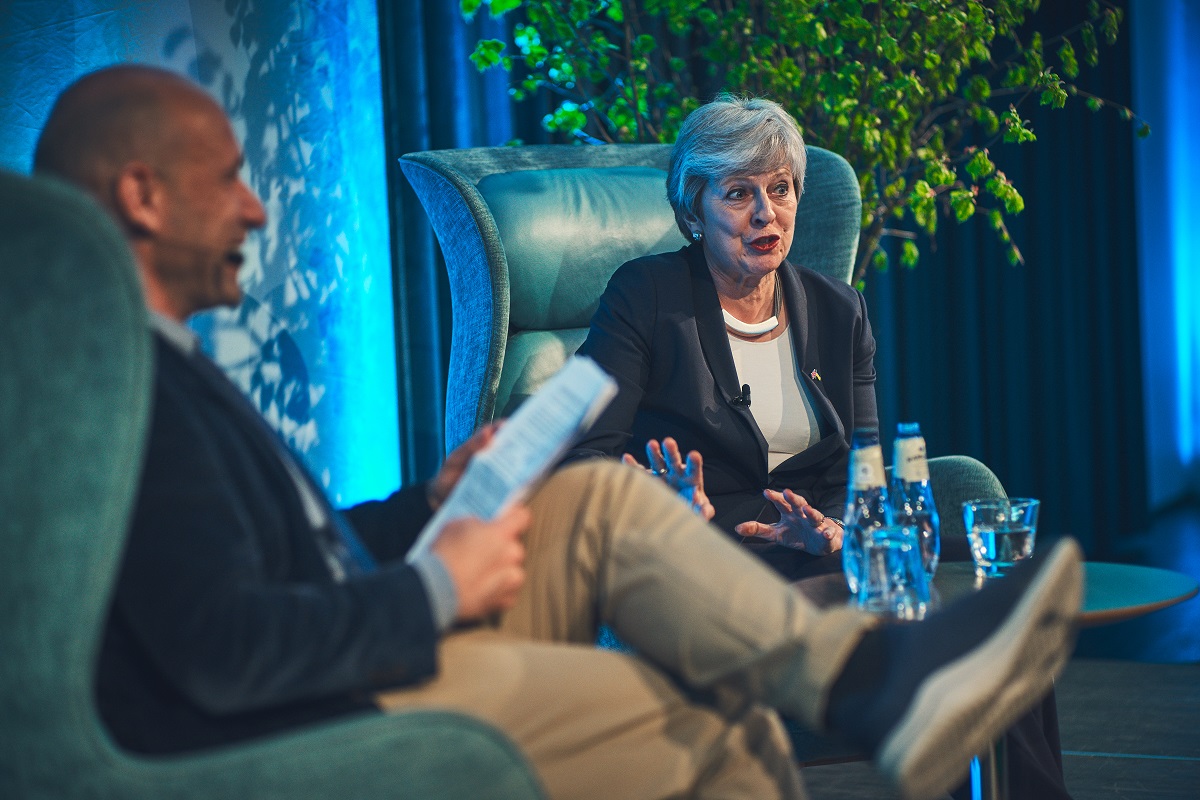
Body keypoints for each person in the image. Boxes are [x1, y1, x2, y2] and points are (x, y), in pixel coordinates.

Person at [34, 65, 1083, 800]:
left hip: (770, 554)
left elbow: (278, 554)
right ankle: (871, 684)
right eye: (228, 177)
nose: (258, 209)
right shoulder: (111, 392)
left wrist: (423, 506)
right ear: (141, 195)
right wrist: (439, 580)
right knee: (722, 724)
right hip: (327, 691)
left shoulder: (165, 365)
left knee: (594, 500)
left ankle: (868, 680)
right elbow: (224, 644)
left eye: (781, 192)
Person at [571, 95, 1075, 798]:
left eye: (779, 190)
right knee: (941, 634)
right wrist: (661, 508)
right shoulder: (645, 295)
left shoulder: (839, 309)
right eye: (739, 193)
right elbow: (585, 457)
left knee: (990, 636)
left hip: (815, 551)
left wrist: (836, 530)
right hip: (698, 558)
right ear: (694, 208)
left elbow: (859, 473)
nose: (764, 214)